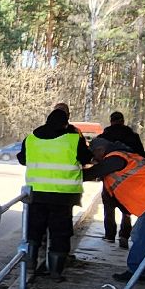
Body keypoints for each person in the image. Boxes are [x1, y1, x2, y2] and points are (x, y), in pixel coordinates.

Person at [86, 137, 145, 282]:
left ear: (101, 150)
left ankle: (136, 271)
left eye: (94, 154)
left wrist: (72, 175)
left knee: (139, 234)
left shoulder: (115, 158)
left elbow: (94, 172)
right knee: (144, 234)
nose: (94, 158)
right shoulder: (118, 157)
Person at [17, 104, 91, 276]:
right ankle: (56, 272)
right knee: (60, 233)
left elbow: (22, 159)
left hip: (36, 194)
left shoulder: (31, 138)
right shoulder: (73, 139)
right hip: (63, 197)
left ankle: (29, 267)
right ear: (66, 122)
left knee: (33, 232)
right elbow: (86, 158)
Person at [98, 112, 145, 245]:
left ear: (111, 121)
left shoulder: (104, 137)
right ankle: (124, 235)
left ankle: (109, 234)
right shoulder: (133, 137)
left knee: (108, 205)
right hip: (128, 177)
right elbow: (142, 154)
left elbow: (97, 153)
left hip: (109, 176)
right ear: (123, 121)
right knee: (126, 206)